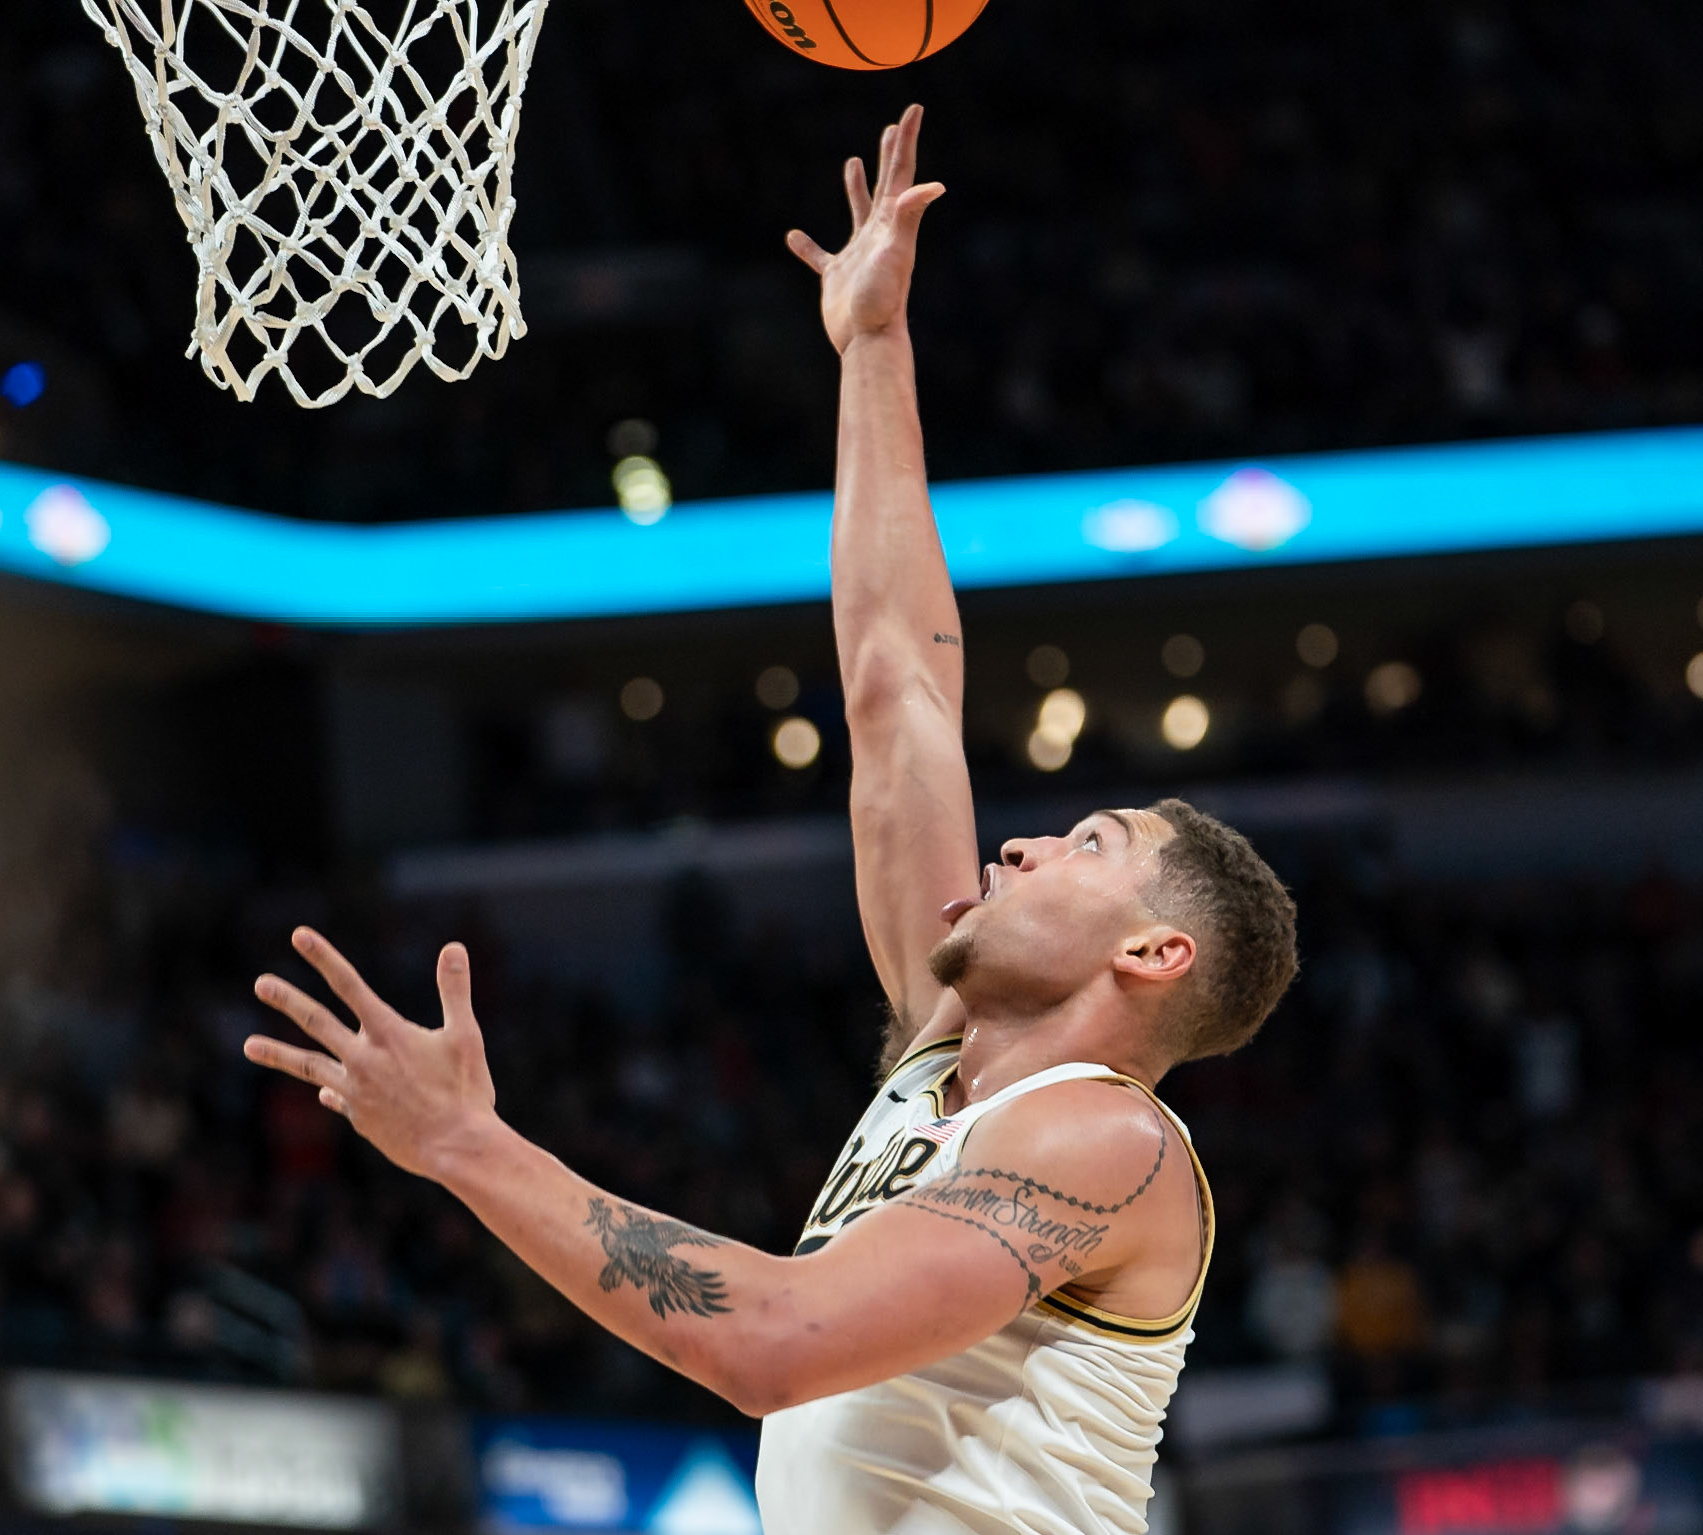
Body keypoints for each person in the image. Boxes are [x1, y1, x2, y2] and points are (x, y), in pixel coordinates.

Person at [241, 106, 1299, 1535]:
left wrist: (468, 1145)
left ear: (1156, 957)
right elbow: (895, 685)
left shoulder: (1106, 1144)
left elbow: (772, 1345)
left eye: (1089, 844)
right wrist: (872, 349)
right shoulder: (943, 1064)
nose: (1027, 843)